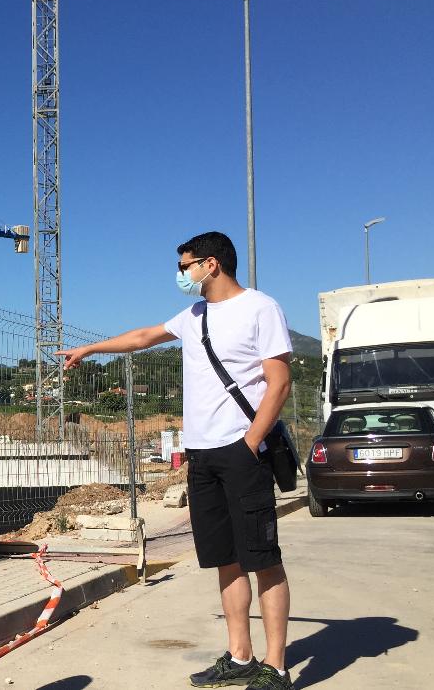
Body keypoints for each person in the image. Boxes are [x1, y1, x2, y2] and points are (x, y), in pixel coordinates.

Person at [56, 231, 294, 690]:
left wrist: (250, 442)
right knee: (225, 559)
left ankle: (276, 666)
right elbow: (146, 335)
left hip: (243, 451)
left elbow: (278, 382)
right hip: (201, 454)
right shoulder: (195, 313)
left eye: (185, 266)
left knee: (262, 558)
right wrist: (90, 348)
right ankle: (240, 657)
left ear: (211, 265)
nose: (180, 274)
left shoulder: (261, 309)